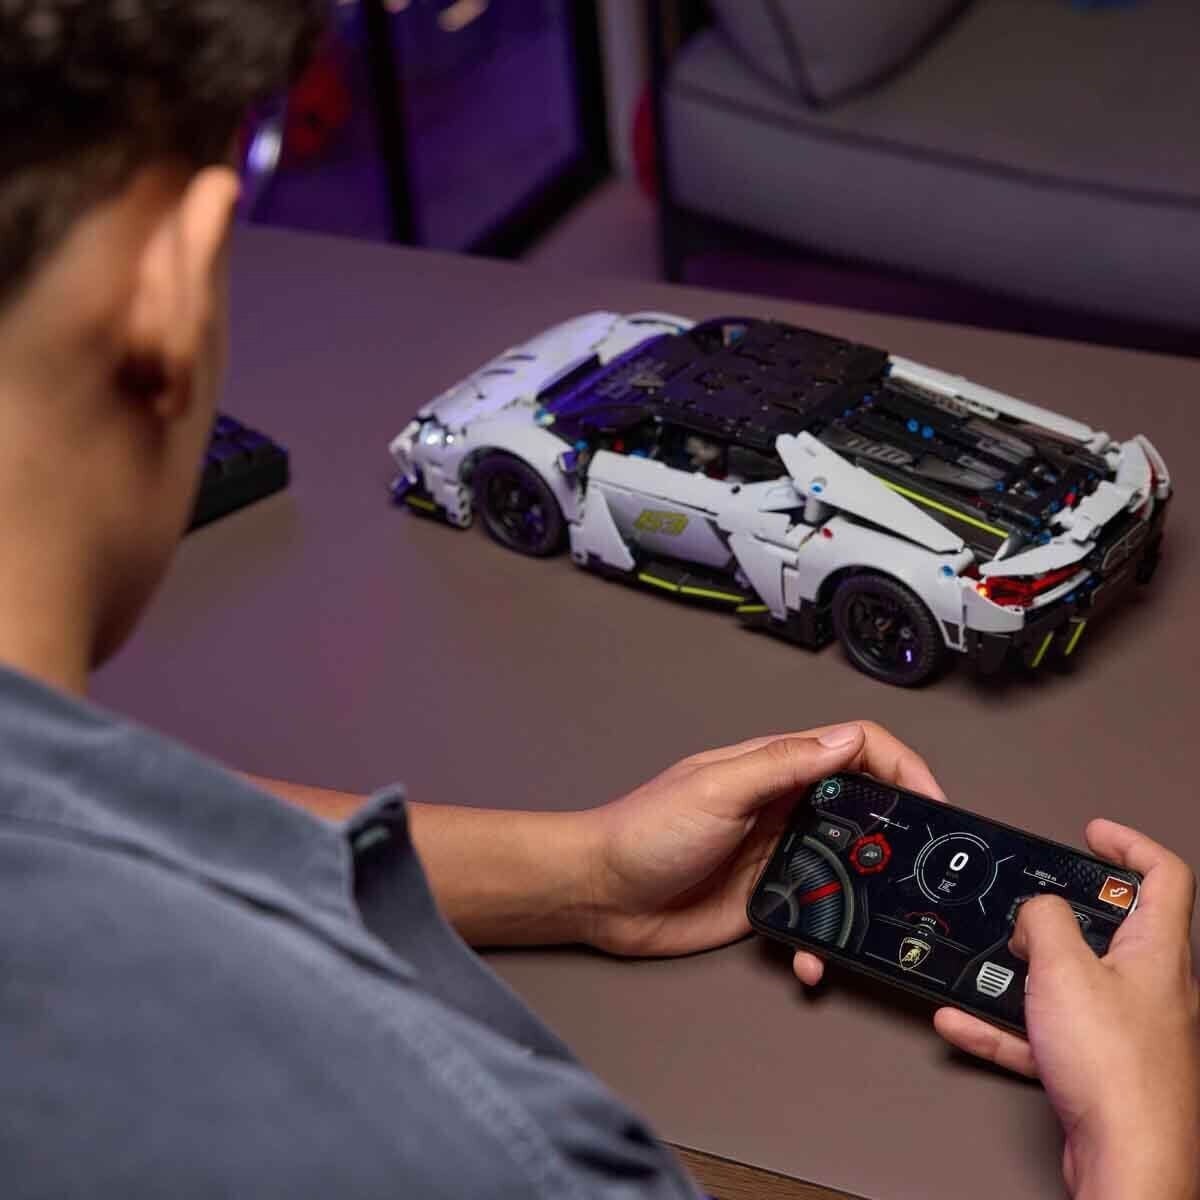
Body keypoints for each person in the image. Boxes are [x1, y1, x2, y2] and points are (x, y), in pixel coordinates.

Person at [0, 3, 1196, 1197]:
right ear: (168, 283)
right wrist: (1145, 1155)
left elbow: (143, 826)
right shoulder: (506, 1154)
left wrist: (582, 877)